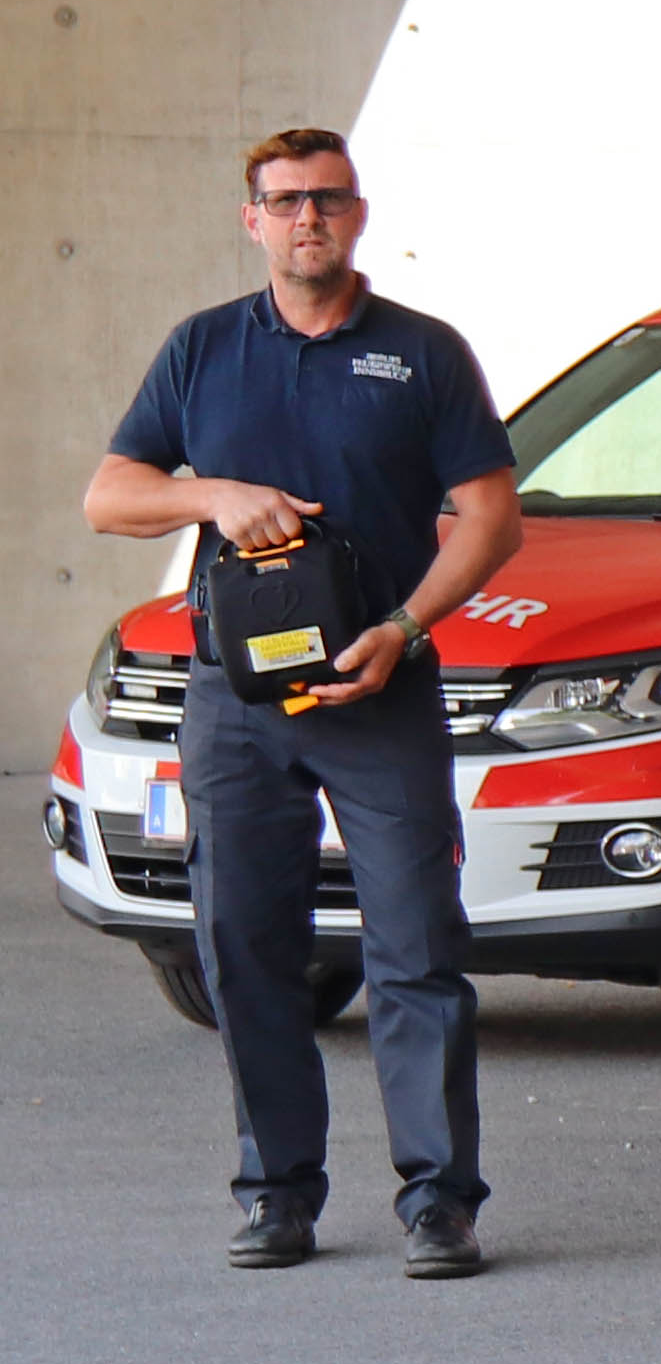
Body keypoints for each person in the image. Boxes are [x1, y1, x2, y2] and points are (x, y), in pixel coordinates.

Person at [85, 125, 524, 1278]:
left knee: (416, 944)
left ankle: (439, 1199)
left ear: (359, 214)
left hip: (379, 685)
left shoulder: (423, 355)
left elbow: (491, 516)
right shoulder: (203, 349)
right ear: (253, 220)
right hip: (236, 702)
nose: (306, 219)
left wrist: (405, 628)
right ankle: (277, 1189)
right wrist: (213, 495)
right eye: (283, 202)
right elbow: (109, 495)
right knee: (244, 943)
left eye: (326, 199)